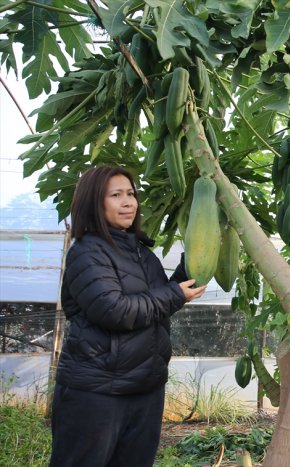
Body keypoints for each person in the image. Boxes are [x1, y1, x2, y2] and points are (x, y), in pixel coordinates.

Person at [49, 166, 206, 466]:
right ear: (95, 203)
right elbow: (114, 311)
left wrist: (195, 256)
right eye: (116, 195)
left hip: (145, 390)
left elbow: (158, 302)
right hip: (97, 393)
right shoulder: (87, 252)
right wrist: (174, 294)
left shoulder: (142, 254)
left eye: (131, 194)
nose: (129, 202)